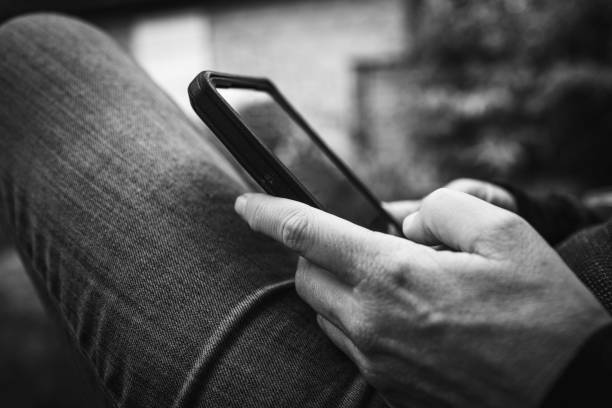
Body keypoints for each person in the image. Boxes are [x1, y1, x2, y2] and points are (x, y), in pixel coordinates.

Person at [0, 13, 610, 408]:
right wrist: (541, 213)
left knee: (31, 56)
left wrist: (564, 372)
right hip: (517, 296)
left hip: (488, 376)